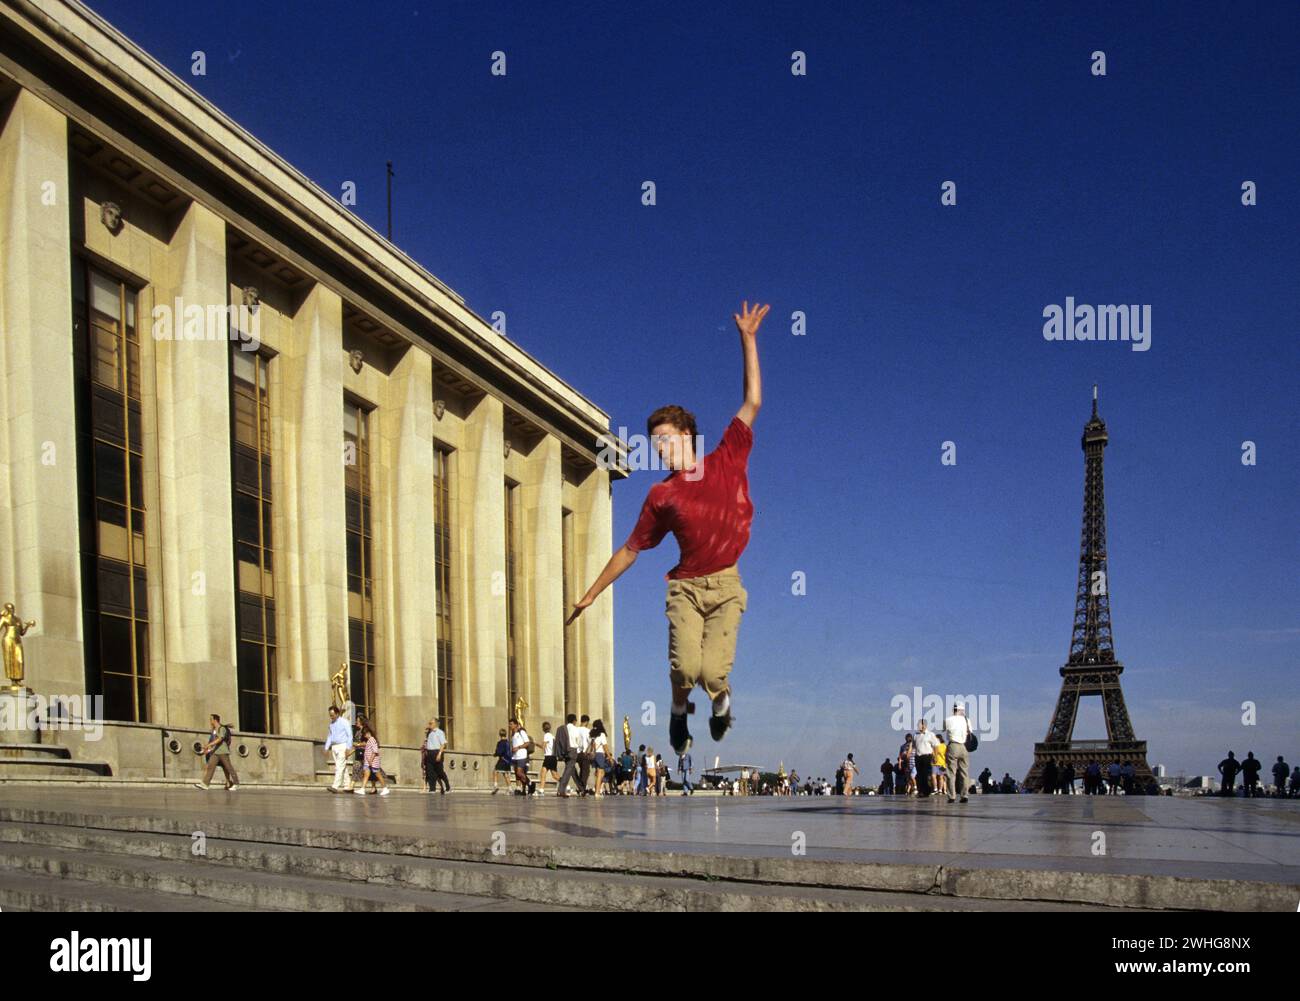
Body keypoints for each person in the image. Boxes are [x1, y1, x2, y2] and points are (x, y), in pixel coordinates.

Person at [567, 302, 768, 758]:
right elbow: (631, 549)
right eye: (654, 444)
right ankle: (680, 715)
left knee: (713, 675)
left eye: (667, 440)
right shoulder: (661, 495)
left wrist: (748, 339)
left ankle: (721, 705)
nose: (660, 449)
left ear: (688, 436)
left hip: (727, 585)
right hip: (686, 589)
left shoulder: (726, 457)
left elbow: (752, 401)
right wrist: (593, 593)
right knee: (685, 669)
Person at [193, 713, 239, 791]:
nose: (210, 721)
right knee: (211, 766)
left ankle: (236, 783)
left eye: (211, 719)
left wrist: (208, 745)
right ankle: (205, 784)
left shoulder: (222, 728)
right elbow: (213, 740)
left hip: (223, 751)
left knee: (229, 767)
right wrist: (208, 748)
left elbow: (219, 739)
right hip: (216, 752)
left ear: (215, 720)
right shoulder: (214, 730)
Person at [354, 720, 391, 796]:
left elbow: (375, 751)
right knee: (366, 775)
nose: (364, 736)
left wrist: (370, 760)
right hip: (368, 762)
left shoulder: (372, 740)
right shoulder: (369, 740)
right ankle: (362, 789)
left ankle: (385, 788)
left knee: (378, 775)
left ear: (368, 733)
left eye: (365, 734)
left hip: (373, 762)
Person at [944, 704, 971, 803]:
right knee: (964, 772)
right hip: (963, 747)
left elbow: (943, 729)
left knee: (951, 772)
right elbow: (969, 732)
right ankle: (964, 795)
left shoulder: (948, 719)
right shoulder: (966, 720)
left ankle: (952, 796)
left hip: (953, 745)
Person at [323, 706, 353, 793]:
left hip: (343, 746)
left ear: (337, 713)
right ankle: (348, 786)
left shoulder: (344, 722)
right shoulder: (331, 724)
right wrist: (326, 747)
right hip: (334, 747)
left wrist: (348, 748)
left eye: (332, 715)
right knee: (342, 767)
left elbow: (349, 735)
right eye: (330, 715)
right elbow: (330, 736)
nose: (331, 717)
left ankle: (335, 786)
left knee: (339, 766)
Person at [557, 713, 582, 797]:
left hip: (565, 751)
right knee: (568, 771)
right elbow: (578, 741)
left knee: (571, 770)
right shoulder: (576, 729)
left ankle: (581, 788)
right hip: (573, 750)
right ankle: (561, 790)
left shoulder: (562, 728)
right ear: (574, 720)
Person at [509, 717, 533, 795]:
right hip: (515, 756)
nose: (510, 726)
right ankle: (522, 789)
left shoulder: (521, 732)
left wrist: (518, 747)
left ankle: (530, 784)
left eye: (511, 724)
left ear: (516, 724)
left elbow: (527, 742)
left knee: (519, 773)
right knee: (517, 774)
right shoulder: (513, 734)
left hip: (522, 755)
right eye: (509, 724)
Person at [425, 717, 450, 794]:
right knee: (430, 771)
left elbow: (443, 744)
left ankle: (447, 787)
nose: (429, 725)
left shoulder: (440, 732)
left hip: (437, 752)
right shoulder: (430, 733)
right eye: (429, 723)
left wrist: (439, 754)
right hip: (429, 753)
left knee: (440, 771)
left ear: (435, 724)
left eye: (431, 723)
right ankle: (432, 789)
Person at [914, 721, 937, 796]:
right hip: (918, 757)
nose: (920, 726)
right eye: (919, 725)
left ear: (925, 726)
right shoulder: (915, 735)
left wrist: (935, 756)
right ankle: (921, 790)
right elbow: (914, 746)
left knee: (926, 774)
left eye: (921, 725)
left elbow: (935, 746)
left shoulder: (930, 734)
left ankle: (927, 791)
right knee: (919, 775)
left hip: (927, 756)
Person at [538, 721, 560, 796]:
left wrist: (535, 744)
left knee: (545, 774)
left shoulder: (546, 735)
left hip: (548, 757)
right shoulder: (552, 736)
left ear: (543, 728)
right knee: (553, 775)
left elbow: (543, 747)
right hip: (553, 757)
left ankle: (541, 789)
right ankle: (566, 785)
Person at [591, 719, 611, 795]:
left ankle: (596, 788)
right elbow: (605, 746)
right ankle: (597, 792)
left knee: (600, 773)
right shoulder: (602, 734)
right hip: (599, 754)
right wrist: (609, 756)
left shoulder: (592, 734)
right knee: (600, 773)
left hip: (593, 754)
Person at [491, 728, 512, 794]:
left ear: (500, 735)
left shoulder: (500, 743)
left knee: (495, 771)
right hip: (508, 760)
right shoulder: (508, 742)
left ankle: (495, 786)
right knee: (505, 774)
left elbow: (499, 751)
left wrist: (495, 754)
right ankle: (510, 788)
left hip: (502, 759)